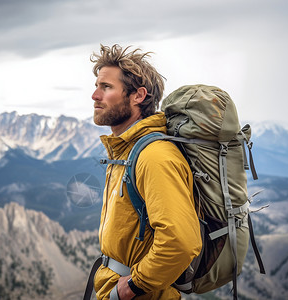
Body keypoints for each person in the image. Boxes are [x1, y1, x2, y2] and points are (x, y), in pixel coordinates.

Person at [90, 44, 201, 300]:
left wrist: (132, 287)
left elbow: (181, 242)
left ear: (138, 96)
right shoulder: (125, 151)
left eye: (106, 87)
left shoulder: (154, 156)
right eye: (97, 86)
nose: (95, 95)